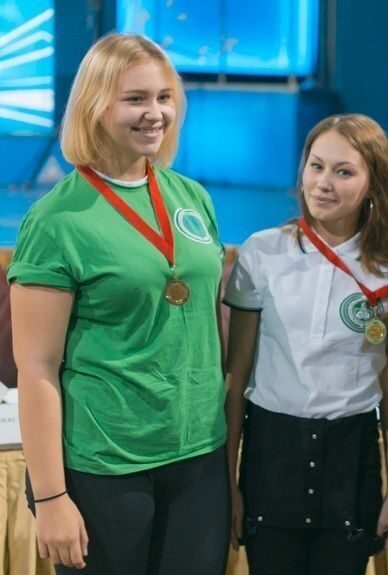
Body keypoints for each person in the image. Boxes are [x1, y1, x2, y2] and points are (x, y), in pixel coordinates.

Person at [8, 33, 229, 575]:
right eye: (135, 99)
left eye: (164, 97)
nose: (155, 113)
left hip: (199, 457)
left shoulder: (192, 197)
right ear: (95, 104)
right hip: (105, 465)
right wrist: (51, 496)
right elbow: (36, 368)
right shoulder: (56, 221)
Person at [223, 113, 388, 575]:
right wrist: (229, 483)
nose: (323, 183)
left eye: (343, 172)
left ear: (374, 184)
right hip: (270, 458)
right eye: (316, 166)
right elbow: (236, 375)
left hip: (351, 459)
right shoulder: (262, 251)